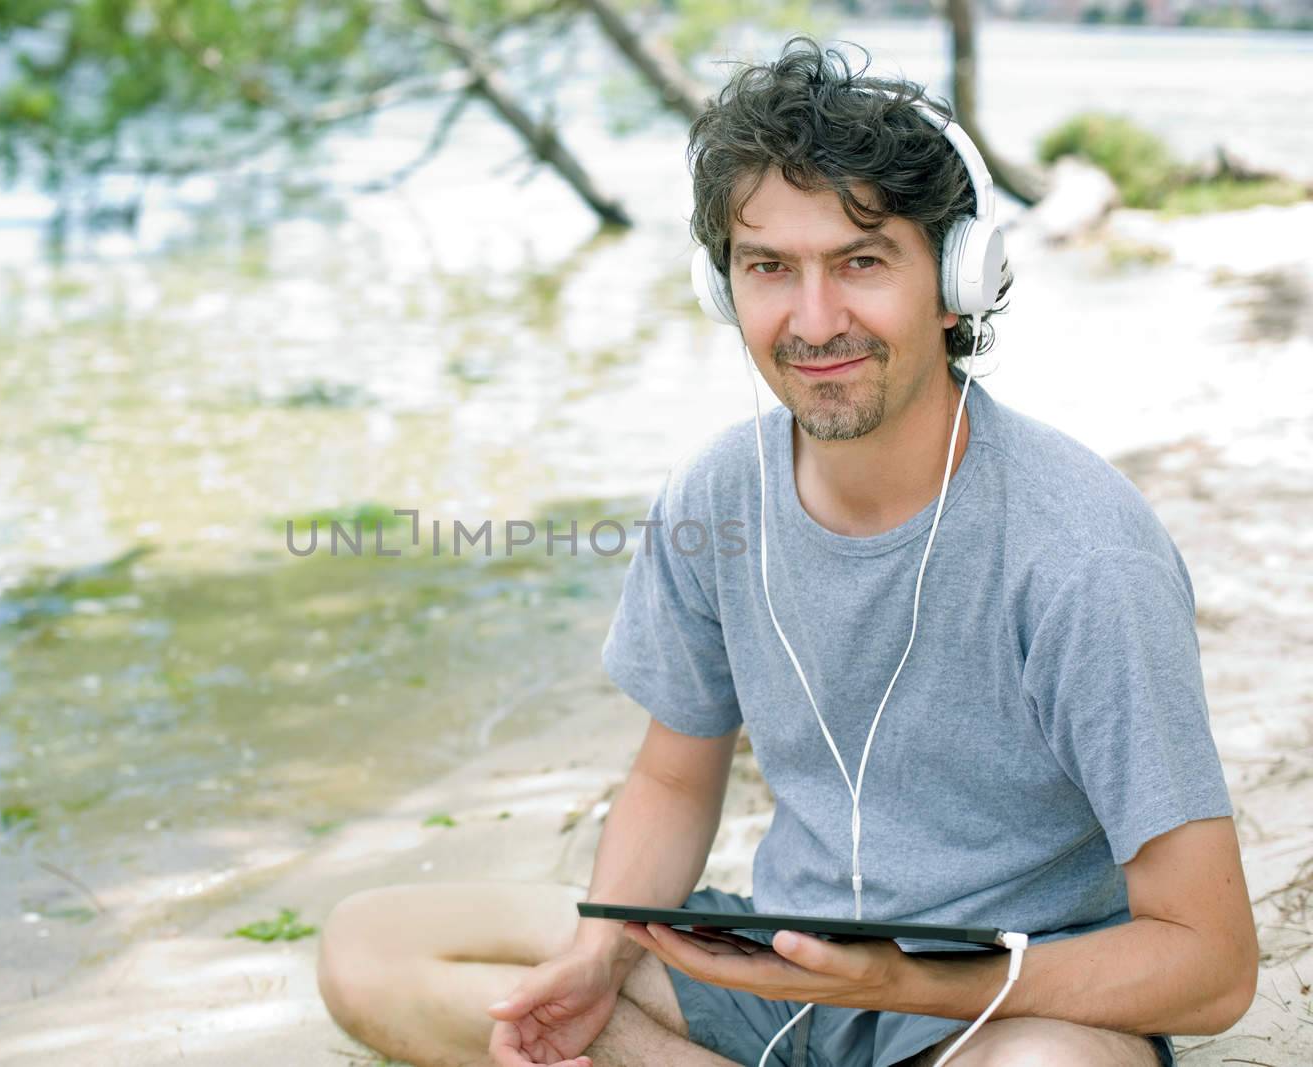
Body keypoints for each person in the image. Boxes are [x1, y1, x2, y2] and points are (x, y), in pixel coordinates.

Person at [315, 36, 1257, 1067]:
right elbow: (674, 781)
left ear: (957, 278)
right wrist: (596, 949)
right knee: (368, 947)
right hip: (781, 971)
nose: (813, 320)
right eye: (770, 268)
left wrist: (907, 981)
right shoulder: (717, 494)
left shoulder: (1081, 555)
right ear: (725, 288)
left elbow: (1209, 963)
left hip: (998, 1003)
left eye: (860, 261)